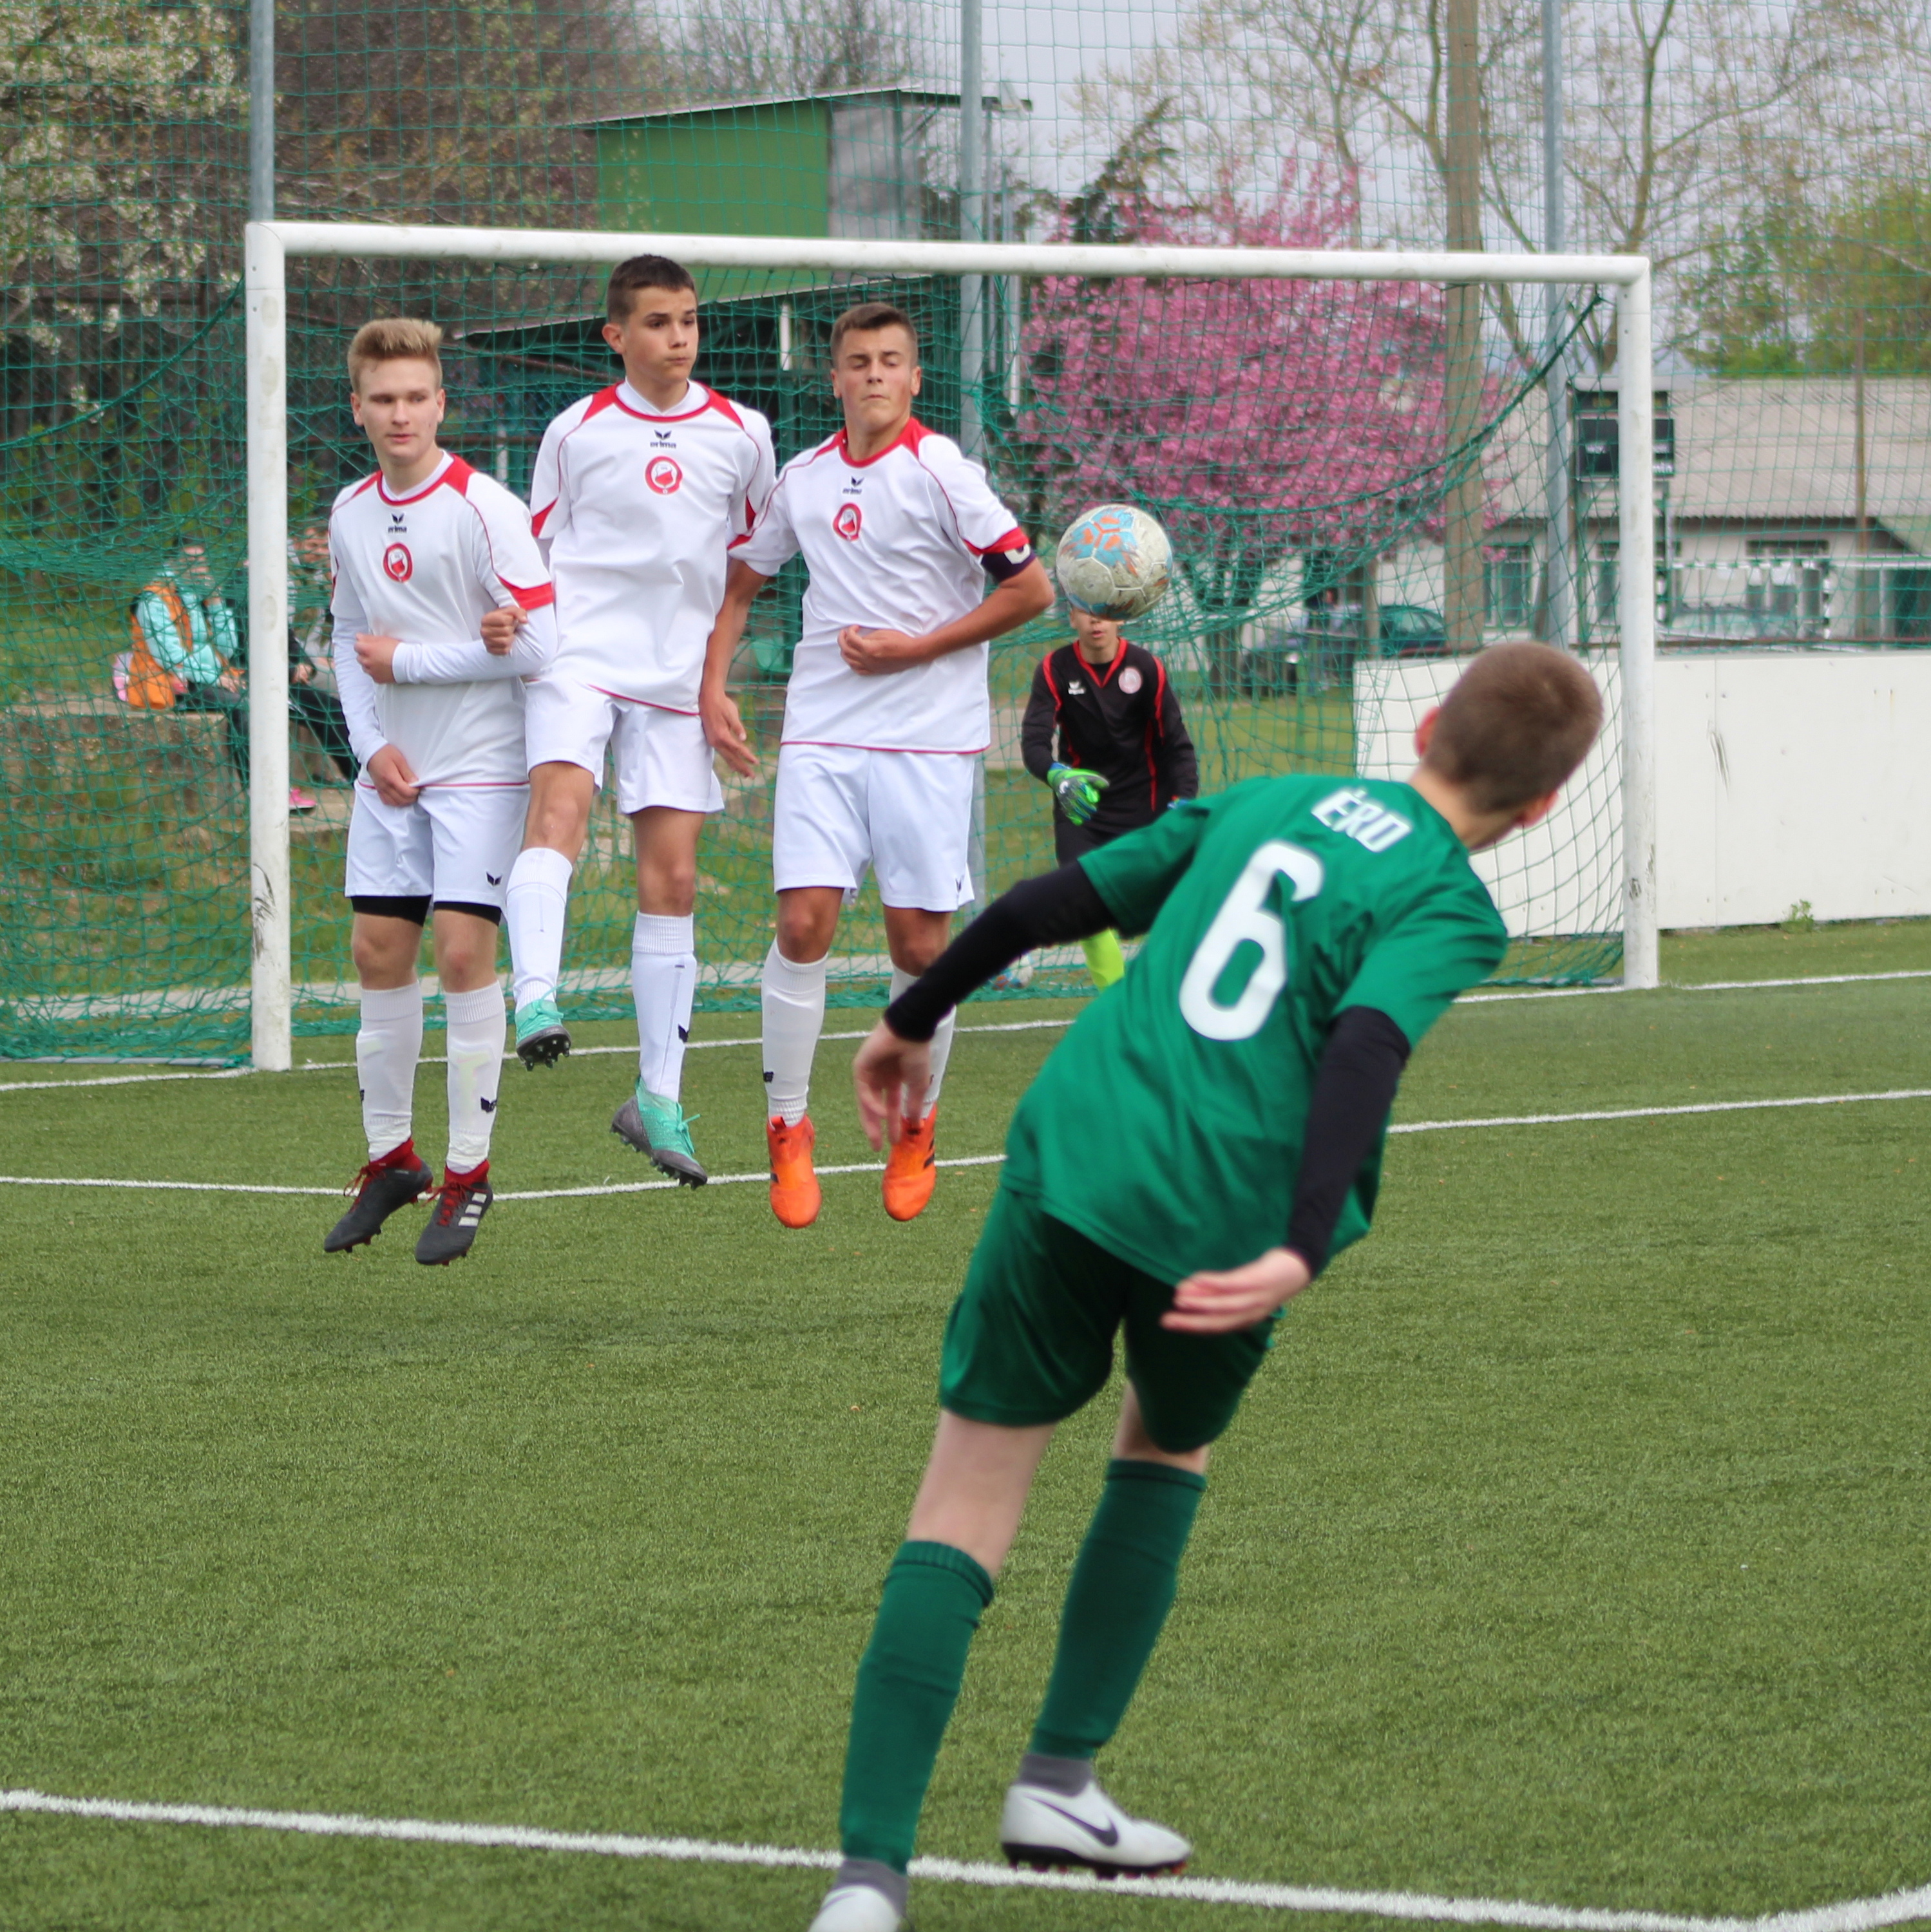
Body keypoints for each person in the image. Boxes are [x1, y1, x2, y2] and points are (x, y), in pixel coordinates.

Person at [804, 641, 1604, 1932]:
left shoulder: (1272, 799)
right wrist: (1298, 1242)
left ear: (1425, 729)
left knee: (960, 1505)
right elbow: (1365, 1044)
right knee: (1163, 1446)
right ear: (1542, 807)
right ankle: (1055, 1780)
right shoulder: (1452, 907)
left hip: (1077, 1150)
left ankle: (865, 1882)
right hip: (1224, 1220)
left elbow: (1052, 901)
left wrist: (911, 1018)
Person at [700, 301, 1054, 1230]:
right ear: (834, 379)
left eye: (890, 361)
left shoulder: (944, 473)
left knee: (920, 950)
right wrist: (713, 685)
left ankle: (915, 1123)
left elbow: (1031, 589)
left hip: (927, 740)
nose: (873, 376)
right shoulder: (804, 478)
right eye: (858, 362)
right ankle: (786, 1126)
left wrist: (917, 649)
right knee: (802, 924)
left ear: (914, 378)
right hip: (822, 730)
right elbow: (741, 586)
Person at [496, 254, 775, 1189]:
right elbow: (532, 552)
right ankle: (536, 999)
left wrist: (717, 680)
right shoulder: (574, 431)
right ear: (616, 336)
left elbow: (746, 572)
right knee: (559, 815)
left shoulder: (744, 434)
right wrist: (515, 639)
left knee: (675, 878)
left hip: (678, 678)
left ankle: (656, 1097)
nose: (678, 337)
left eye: (688, 319)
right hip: (577, 655)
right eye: (658, 322)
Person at [322, 316, 556, 1267]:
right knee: (377, 950)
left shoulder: (484, 507)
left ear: (441, 404)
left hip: (483, 769)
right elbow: (348, 639)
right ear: (357, 408)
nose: (400, 414)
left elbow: (542, 645)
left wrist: (412, 664)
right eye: (383, 399)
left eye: (416, 397)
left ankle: (468, 1174)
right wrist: (369, 743)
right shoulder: (348, 511)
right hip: (394, 772)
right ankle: (392, 1160)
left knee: (462, 955)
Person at [1019, 601, 1198, 990]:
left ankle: (1176, 995)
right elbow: (1034, 743)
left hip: (1146, 808)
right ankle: (1117, 1005)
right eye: (1084, 610)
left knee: (1167, 910)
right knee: (1086, 906)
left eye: (1102, 610)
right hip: (1081, 809)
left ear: (1119, 617)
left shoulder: (1146, 667)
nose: (1095, 619)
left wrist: (1183, 801)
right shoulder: (1054, 668)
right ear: (1071, 617)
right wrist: (1056, 775)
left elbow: (1176, 744)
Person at [128, 536, 330, 811]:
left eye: (202, 562)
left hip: (212, 675)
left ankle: (279, 783)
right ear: (173, 564)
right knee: (245, 705)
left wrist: (216, 605)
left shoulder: (197, 596)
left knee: (272, 696)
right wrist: (217, 678)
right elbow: (169, 657)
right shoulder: (154, 598)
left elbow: (228, 647)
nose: (199, 569)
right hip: (174, 682)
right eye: (190, 562)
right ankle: (262, 792)